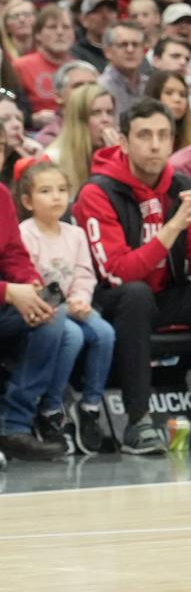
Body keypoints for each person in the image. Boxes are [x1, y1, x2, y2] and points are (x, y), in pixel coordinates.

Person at [72, 97, 191, 453]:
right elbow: (118, 272)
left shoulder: (179, 184)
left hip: (164, 296)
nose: (155, 143)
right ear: (124, 142)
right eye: (144, 135)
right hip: (110, 301)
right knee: (135, 294)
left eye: (163, 134)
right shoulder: (97, 192)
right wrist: (175, 225)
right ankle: (138, 422)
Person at [17, 161, 115, 454]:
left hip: (75, 304)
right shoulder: (26, 233)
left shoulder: (76, 234)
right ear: (27, 201)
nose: (56, 197)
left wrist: (82, 298)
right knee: (72, 336)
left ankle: (90, 406)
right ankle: (51, 408)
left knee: (105, 333)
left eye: (62, 190)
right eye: (46, 191)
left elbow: (85, 274)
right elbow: (30, 281)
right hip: (47, 308)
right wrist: (65, 305)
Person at [0, 179, 81, 461]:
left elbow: (14, 254)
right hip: (4, 295)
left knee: (49, 313)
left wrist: (31, 284)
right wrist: (8, 291)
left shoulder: (1, 195)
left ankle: (15, 426)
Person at [44, 83, 118, 197]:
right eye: (96, 113)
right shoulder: (53, 159)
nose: (106, 120)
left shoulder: (120, 156)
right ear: (78, 120)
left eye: (109, 112)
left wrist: (117, 159)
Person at [13, 5, 75, 119]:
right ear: (38, 35)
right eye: (52, 27)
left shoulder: (80, 69)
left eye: (66, 27)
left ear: (73, 35)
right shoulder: (20, 66)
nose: (60, 32)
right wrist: (32, 119)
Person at [98, 22, 148, 117]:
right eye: (123, 45)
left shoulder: (149, 85)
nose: (130, 50)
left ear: (143, 50)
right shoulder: (99, 88)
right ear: (107, 51)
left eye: (135, 44)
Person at [144, 69, 191, 151]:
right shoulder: (141, 141)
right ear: (154, 97)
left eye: (182, 95)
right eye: (169, 93)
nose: (177, 99)